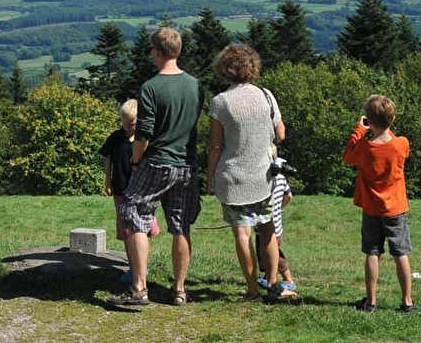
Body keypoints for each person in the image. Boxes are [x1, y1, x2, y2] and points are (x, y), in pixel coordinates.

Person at [107, 26, 201, 307]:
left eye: (151, 50)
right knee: (180, 226)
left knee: (133, 211)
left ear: (157, 52)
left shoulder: (151, 87)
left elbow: (144, 132)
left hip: (158, 161)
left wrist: (136, 161)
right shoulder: (195, 85)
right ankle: (180, 290)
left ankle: (139, 288)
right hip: (186, 164)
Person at [205, 43, 297, 302]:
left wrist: (209, 177)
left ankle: (252, 289)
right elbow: (280, 134)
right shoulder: (266, 95)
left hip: (233, 177)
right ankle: (272, 281)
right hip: (263, 176)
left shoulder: (220, 102)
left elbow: (214, 145)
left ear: (224, 68)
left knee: (241, 233)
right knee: (267, 230)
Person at [342, 94, 417, 314]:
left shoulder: (365, 148)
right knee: (400, 253)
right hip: (396, 208)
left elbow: (347, 156)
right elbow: (393, 144)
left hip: (372, 208)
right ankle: (407, 301)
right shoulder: (401, 143)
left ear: (369, 121)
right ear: (392, 120)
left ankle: (371, 301)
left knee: (372, 252)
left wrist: (359, 130)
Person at [99, 98, 161, 284]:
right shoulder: (116, 138)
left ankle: (141, 267)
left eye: (132, 124)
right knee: (127, 231)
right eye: (124, 123)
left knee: (142, 229)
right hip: (121, 189)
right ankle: (133, 269)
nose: (127, 127)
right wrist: (107, 180)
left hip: (142, 190)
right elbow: (107, 158)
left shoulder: (146, 139)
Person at [254, 146, 297, 295]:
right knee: (274, 253)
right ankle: (269, 278)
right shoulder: (281, 178)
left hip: (266, 226)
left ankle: (287, 280)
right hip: (278, 226)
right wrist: (280, 207)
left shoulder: (265, 180)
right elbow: (289, 195)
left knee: (272, 255)